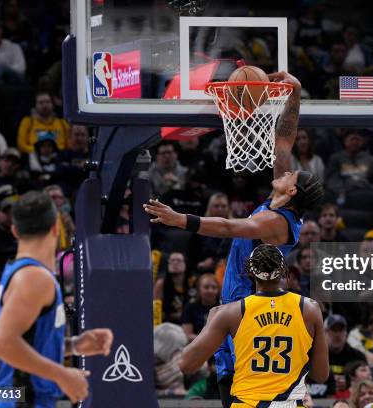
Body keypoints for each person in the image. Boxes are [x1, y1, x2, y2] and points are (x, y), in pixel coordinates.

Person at [144, 71, 325, 407]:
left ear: (293, 189)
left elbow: (228, 228)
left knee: (228, 378)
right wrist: (294, 94)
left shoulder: (275, 222)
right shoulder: (279, 199)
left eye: (292, 175)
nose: (286, 170)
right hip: (242, 303)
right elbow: (283, 139)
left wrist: (179, 219)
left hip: (245, 307)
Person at [0, 191, 113, 407]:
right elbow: (2, 343)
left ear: (15, 231)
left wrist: (73, 345)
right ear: (56, 227)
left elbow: (28, 340)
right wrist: (62, 375)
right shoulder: (34, 278)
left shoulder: (21, 271)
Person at [179, 244, 329, 408]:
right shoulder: (309, 308)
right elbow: (321, 375)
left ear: (250, 272)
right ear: (284, 269)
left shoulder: (231, 312)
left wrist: (210, 323)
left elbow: (186, 364)